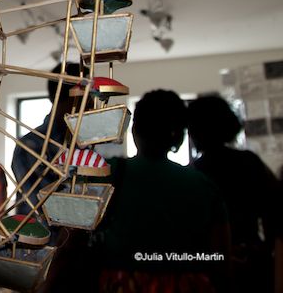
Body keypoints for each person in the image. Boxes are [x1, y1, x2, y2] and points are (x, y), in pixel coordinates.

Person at [94, 90, 230, 293]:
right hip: (187, 285)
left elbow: (75, 237)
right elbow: (221, 257)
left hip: (123, 284)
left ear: (134, 130)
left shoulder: (108, 174)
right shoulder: (202, 184)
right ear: (178, 134)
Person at [188, 96, 277, 292]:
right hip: (252, 260)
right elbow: (274, 212)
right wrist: (266, 249)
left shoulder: (193, 173)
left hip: (210, 265)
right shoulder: (250, 162)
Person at [11, 62, 83, 215]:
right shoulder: (31, 146)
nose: (92, 106)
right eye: (87, 97)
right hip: (47, 237)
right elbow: (48, 206)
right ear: (72, 96)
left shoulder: (83, 142)